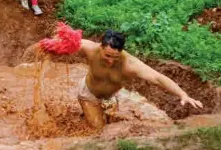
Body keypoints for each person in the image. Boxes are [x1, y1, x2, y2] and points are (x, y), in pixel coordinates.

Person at [33, 25, 203, 128]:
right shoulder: (88, 48)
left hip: (112, 96)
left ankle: (98, 110)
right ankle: (89, 111)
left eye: (115, 57)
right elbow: (59, 44)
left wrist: (182, 94)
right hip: (89, 93)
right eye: (107, 55)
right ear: (100, 46)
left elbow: (157, 78)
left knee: (113, 126)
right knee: (98, 130)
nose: (110, 61)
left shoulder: (130, 64)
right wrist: (48, 49)